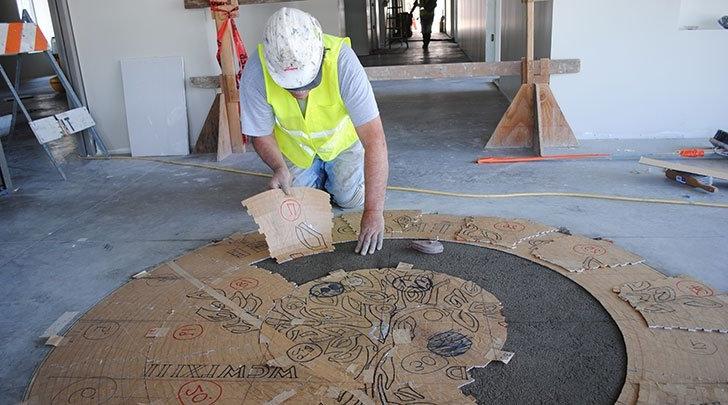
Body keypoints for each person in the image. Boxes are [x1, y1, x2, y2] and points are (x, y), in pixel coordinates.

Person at [240, 8, 389, 256]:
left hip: (341, 145)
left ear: (320, 55)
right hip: (297, 152)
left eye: (308, 83)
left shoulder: (343, 62)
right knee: (300, 207)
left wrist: (374, 212)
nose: (300, 92)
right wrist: (279, 167)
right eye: (291, 87)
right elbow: (261, 133)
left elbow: (375, 140)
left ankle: (334, 184)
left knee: (350, 200)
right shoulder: (257, 71)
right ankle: (315, 179)